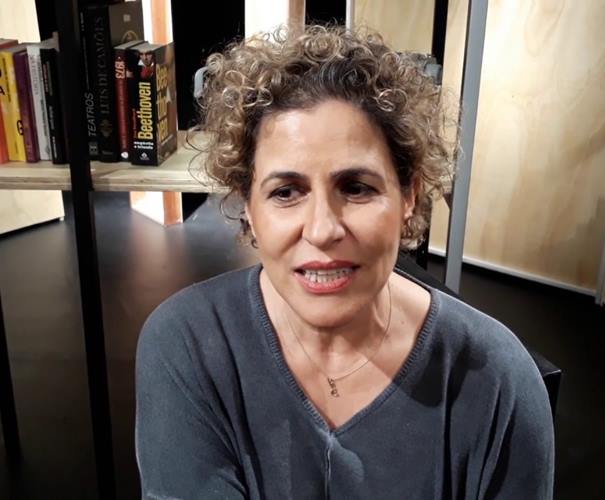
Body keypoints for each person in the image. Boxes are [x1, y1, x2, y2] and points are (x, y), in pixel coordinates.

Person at [135, 25, 554, 499]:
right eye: (286, 192)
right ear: (247, 204)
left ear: (409, 195)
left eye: (356, 188)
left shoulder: (498, 380)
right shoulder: (188, 345)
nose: (322, 229)